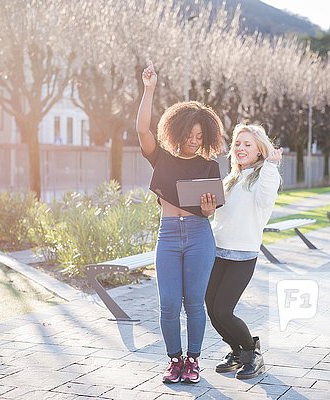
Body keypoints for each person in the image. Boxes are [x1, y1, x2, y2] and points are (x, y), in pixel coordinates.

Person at [136, 61, 225, 384]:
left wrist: (209, 208)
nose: (193, 140)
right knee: (169, 303)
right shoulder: (161, 158)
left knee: (194, 303)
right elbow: (143, 130)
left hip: (200, 236)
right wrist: (149, 90)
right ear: (177, 131)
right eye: (189, 134)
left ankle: (193, 360)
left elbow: (210, 210)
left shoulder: (209, 166)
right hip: (169, 236)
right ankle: (174, 359)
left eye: (199, 136)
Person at [205, 124, 282, 380]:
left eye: (248, 144)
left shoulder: (263, 177)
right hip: (218, 252)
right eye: (238, 143)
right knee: (211, 308)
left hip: (242, 256)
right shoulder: (232, 178)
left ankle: (252, 352)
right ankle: (236, 352)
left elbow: (263, 202)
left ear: (260, 150)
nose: (241, 148)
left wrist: (270, 166)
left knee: (224, 310)